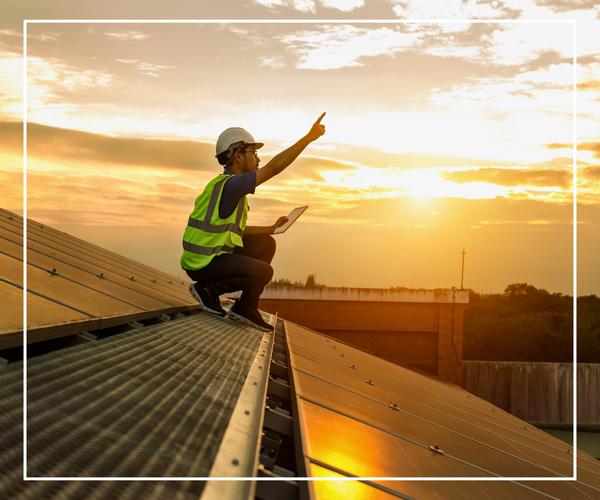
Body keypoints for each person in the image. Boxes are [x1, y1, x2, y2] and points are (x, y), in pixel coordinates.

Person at [181, 113, 326, 332]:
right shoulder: (232, 185)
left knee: (266, 243)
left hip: (210, 257)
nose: (258, 159)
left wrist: (270, 229)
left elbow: (233, 230)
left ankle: (246, 308)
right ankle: (207, 291)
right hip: (204, 264)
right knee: (263, 272)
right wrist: (307, 139)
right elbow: (274, 167)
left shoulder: (227, 186)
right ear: (238, 155)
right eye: (254, 152)